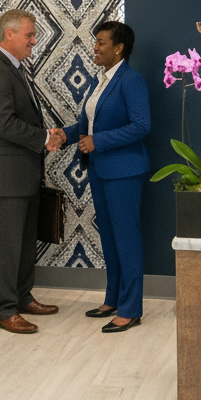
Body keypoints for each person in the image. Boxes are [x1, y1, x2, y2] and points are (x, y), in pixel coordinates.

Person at [60, 21, 150, 333]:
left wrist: (99, 142)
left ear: (119, 47)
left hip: (125, 170)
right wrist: (65, 135)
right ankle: (112, 298)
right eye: (95, 42)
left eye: (101, 42)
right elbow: (89, 123)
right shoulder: (101, 82)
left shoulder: (131, 80)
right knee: (110, 238)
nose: (95, 48)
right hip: (99, 169)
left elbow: (141, 126)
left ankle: (131, 309)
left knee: (127, 239)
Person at [0, 9, 62, 334]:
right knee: (7, 247)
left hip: (24, 175)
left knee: (25, 244)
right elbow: (4, 123)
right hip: (6, 178)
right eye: (29, 35)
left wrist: (44, 138)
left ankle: (23, 298)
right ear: (9, 34)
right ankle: (3, 310)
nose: (33, 41)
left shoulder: (16, 69)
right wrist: (44, 138)